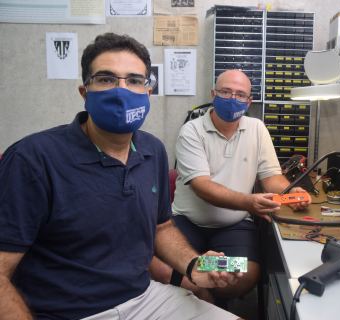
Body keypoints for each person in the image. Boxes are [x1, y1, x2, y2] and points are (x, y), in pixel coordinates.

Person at [0, 33, 242, 320]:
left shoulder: (153, 150)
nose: (121, 90)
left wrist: (193, 264)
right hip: (67, 311)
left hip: (144, 298)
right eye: (106, 79)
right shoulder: (33, 158)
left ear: (148, 90)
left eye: (134, 80)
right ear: (84, 92)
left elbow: (161, 228)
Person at [170, 69, 311, 303]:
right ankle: (201, 294)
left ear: (249, 101)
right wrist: (249, 202)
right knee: (164, 267)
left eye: (240, 94)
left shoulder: (257, 129)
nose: (232, 98)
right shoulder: (191, 131)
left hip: (233, 225)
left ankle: (203, 296)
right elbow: (202, 186)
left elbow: (271, 178)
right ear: (213, 94)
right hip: (188, 222)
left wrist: (290, 192)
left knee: (244, 274)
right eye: (225, 92)